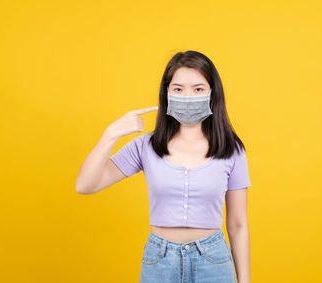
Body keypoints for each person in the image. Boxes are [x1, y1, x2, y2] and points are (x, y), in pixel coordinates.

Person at [76, 50, 252, 283]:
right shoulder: (145, 146)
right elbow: (85, 185)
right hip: (160, 260)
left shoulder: (231, 149)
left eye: (198, 89)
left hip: (214, 261)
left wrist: (245, 280)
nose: (188, 96)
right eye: (178, 89)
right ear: (167, 93)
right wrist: (111, 134)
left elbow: (238, 224)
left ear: (212, 93)